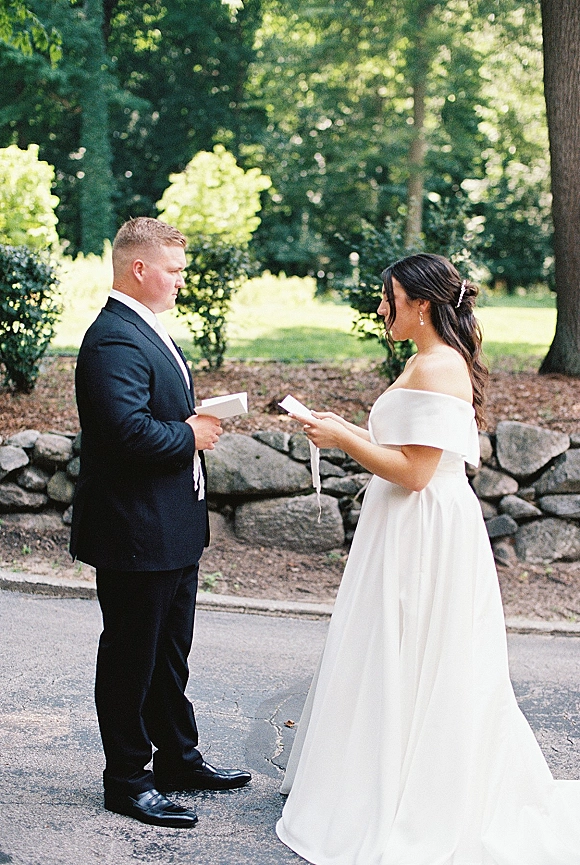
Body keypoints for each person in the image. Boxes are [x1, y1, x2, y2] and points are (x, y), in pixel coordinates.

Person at [276, 253, 580, 864]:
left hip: (424, 526)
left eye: (389, 297)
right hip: (402, 523)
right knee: (388, 649)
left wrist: (344, 440)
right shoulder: (421, 359)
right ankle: (375, 775)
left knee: (419, 650)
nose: (381, 308)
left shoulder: (441, 368)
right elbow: (404, 446)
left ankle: (417, 795)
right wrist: (344, 427)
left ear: (420, 304)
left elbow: (416, 473)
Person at [70, 217, 250, 829]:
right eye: (174, 269)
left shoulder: (144, 329)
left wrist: (189, 420)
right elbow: (121, 434)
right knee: (131, 659)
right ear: (138, 269)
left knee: (169, 656)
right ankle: (126, 779)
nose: (182, 279)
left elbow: (148, 414)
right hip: (134, 533)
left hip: (170, 529)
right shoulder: (113, 339)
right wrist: (190, 433)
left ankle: (178, 759)